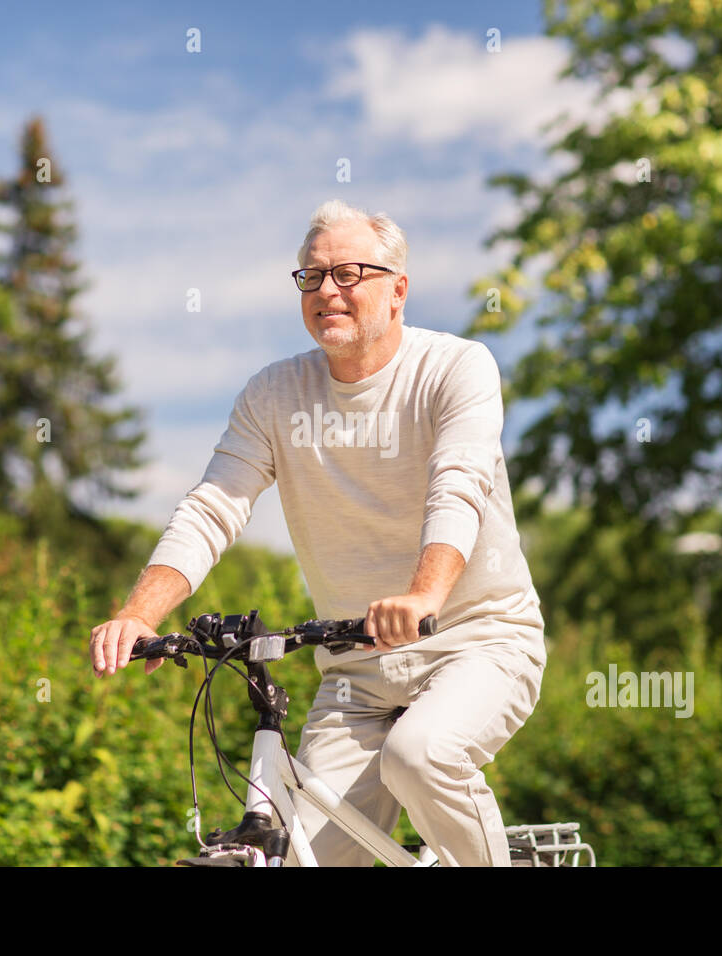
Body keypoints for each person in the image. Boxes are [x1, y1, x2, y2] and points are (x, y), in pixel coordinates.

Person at [89, 199, 547, 866]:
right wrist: (139, 613)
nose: (327, 290)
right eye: (311, 276)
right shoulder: (273, 395)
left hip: (478, 642)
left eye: (349, 273)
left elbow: (459, 484)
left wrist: (424, 598)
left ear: (398, 291)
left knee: (420, 756)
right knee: (312, 855)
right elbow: (214, 505)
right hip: (355, 671)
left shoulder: (456, 368)